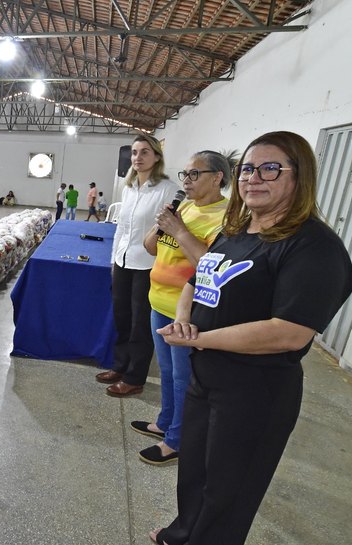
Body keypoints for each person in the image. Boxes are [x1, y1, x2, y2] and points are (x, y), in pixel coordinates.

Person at [148, 132, 352, 545]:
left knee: (229, 490)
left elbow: (288, 333)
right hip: (207, 379)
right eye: (246, 169)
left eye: (270, 168)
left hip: (255, 391)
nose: (253, 178)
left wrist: (201, 339)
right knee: (196, 473)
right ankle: (184, 531)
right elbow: (199, 276)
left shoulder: (314, 247)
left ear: (300, 177)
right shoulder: (237, 230)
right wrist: (186, 322)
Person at [134, 150, 234, 467]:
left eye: (194, 174)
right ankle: (165, 422)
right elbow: (151, 248)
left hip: (187, 312)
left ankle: (176, 440)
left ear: (217, 177)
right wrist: (163, 223)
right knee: (166, 371)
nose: (187, 181)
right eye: (185, 175)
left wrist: (178, 231)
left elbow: (209, 267)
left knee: (182, 377)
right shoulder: (185, 207)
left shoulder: (226, 217)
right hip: (159, 302)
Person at [96, 134, 179, 397]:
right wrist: (113, 260)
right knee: (122, 316)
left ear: (157, 156)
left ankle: (135, 376)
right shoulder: (129, 187)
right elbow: (121, 228)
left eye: (144, 152)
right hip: (123, 260)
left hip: (148, 264)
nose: (137, 158)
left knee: (140, 323)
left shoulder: (167, 189)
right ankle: (120, 365)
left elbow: (167, 230)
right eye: (134, 153)